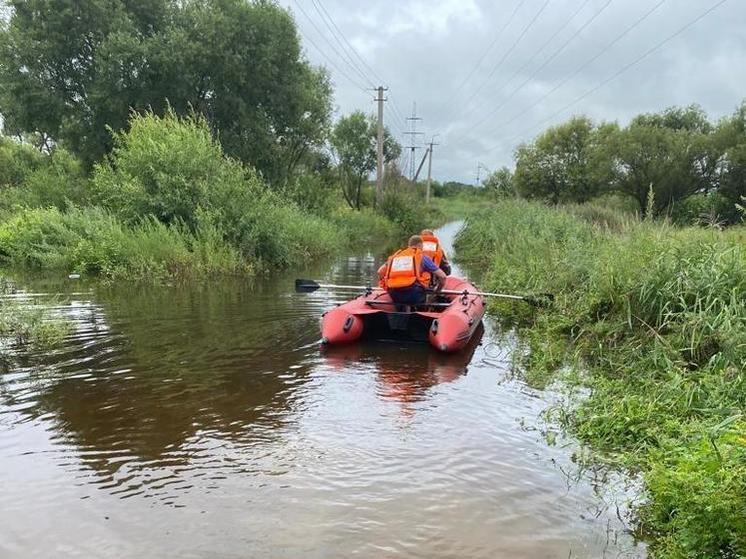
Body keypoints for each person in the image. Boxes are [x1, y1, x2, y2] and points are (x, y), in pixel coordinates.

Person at [378, 235, 446, 307]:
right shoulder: (422, 257)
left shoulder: (396, 256)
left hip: (394, 293)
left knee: (400, 303)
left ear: (409, 245)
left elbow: (379, 272)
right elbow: (443, 276)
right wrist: (437, 291)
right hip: (414, 294)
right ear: (420, 245)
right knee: (428, 298)